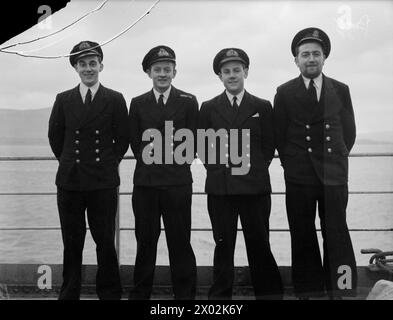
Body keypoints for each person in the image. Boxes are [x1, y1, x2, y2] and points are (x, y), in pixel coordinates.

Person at [273, 27, 358, 299]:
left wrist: (336, 159)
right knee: (303, 235)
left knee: (337, 235)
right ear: (296, 59)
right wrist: (294, 164)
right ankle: (307, 293)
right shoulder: (284, 92)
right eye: (305, 54)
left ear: (324, 58)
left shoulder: (341, 90)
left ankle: (342, 290)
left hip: (334, 175)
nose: (311, 59)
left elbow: (349, 131)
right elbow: (279, 135)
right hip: (299, 177)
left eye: (316, 54)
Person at [198, 48, 283, 300]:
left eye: (237, 70)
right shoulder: (209, 107)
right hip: (221, 189)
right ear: (220, 76)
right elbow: (203, 147)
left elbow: (269, 145)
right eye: (226, 71)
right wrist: (218, 171)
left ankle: (269, 295)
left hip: (254, 189)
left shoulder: (262, 106)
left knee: (259, 245)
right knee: (223, 246)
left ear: (246, 71)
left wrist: (252, 169)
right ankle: (220, 298)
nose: (232, 75)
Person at [48, 41, 129, 300]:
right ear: (76, 68)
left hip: (102, 183)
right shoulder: (63, 99)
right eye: (82, 64)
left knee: (104, 242)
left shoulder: (115, 99)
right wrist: (70, 161)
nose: (88, 68)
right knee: (72, 243)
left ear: (101, 66)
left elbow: (123, 138)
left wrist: (105, 163)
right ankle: (69, 294)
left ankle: (109, 294)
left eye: (92, 63)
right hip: (70, 182)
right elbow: (55, 137)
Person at [128, 45, 198, 300]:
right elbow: (136, 143)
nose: (162, 74)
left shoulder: (189, 101)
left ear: (174, 72)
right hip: (145, 184)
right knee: (145, 243)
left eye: (167, 69)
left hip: (177, 183)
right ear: (149, 73)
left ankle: (185, 298)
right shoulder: (137, 103)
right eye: (157, 69)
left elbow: (192, 141)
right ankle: (140, 295)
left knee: (180, 243)